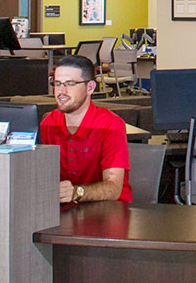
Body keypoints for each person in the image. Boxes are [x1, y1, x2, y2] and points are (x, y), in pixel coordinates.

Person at [40, 55, 131, 204]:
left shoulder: (110, 124)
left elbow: (114, 188)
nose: (61, 91)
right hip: (64, 212)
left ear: (90, 87)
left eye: (70, 84)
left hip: (108, 214)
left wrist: (76, 192)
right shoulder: (49, 123)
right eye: (57, 83)